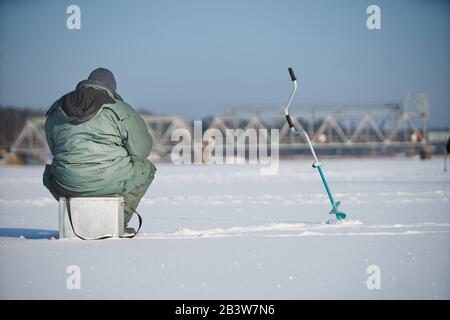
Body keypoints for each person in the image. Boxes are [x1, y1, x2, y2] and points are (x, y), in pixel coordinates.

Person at [43, 68, 156, 232]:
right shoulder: (120, 109)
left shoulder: (57, 108)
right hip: (110, 182)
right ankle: (117, 223)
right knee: (145, 167)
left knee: (49, 173)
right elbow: (142, 152)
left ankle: (75, 220)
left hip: (66, 183)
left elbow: (54, 149)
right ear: (112, 88)